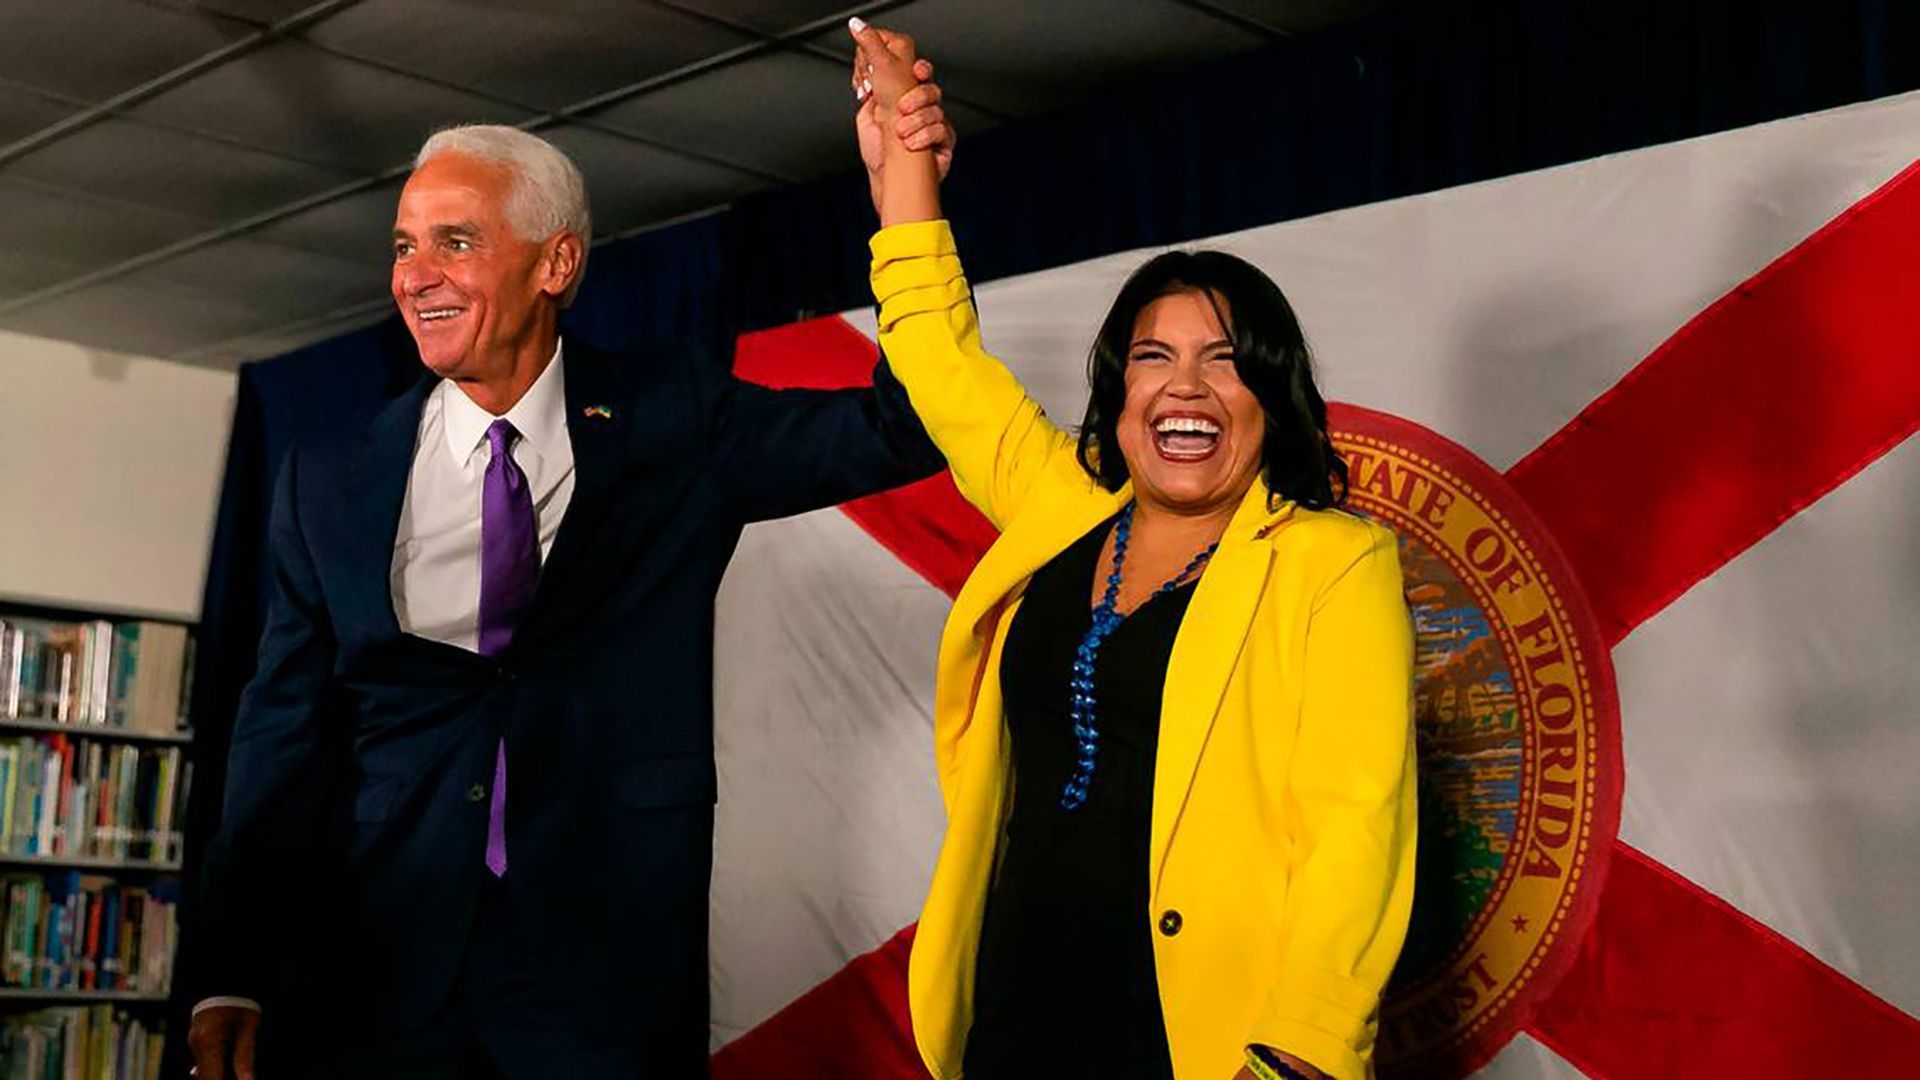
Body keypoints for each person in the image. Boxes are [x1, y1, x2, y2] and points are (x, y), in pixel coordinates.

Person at [186, 79, 958, 1080]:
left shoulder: (674, 420)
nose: (415, 274)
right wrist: (231, 971)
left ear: (556, 262)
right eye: (404, 245)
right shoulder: (326, 476)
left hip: (605, 992)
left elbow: (905, 426)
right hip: (370, 983)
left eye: (454, 241)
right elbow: (279, 737)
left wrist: (905, 199)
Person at [848, 21, 1417, 1080]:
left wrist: (1295, 1054)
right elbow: (937, 356)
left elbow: (1357, 830)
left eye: (1224, 360)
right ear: (1119, 396)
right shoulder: (1061, 505)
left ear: (1270, 398)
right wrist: (903, 168)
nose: (1184, 386)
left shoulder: (1332, 563)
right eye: (1153, 357)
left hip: (1203, 1044)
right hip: (1013, 1018)